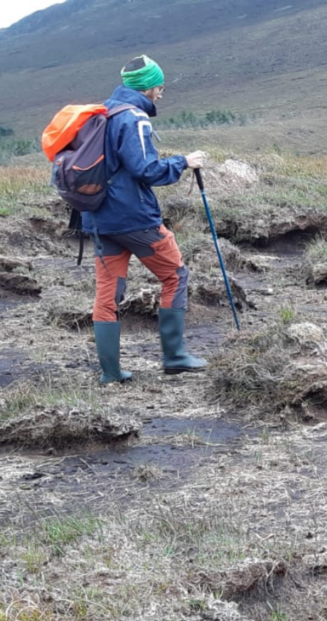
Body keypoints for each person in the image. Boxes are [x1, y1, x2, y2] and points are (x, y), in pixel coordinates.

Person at [82, 54, 207, 383]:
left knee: (108, 293)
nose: (161, 93)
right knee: (175, 276)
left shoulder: (100, 114)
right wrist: (183, 162)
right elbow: (146, 170)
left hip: (97, 218)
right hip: (134, 219)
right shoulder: (135, 118)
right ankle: (175, 356)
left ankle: (110, 372)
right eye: (160, 87)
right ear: (148, 88)